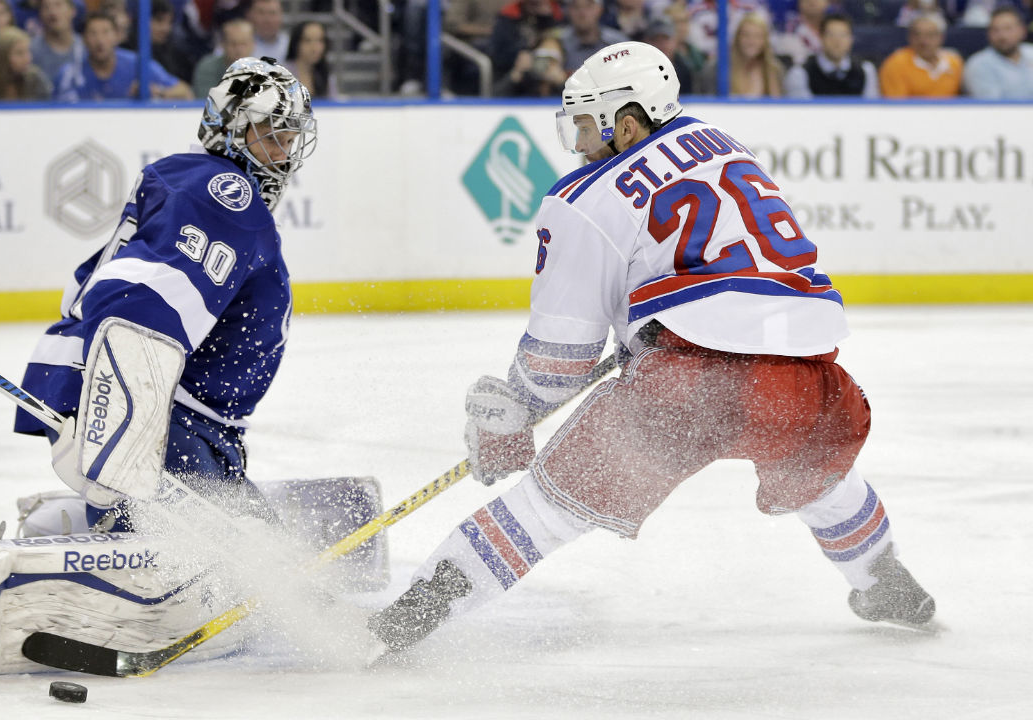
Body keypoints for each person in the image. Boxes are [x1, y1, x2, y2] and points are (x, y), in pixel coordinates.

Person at [367, 40, 936, 657]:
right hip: (813, 375)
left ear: (627, 122)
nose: (577, 141)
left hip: (692, 383)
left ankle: (398, 626)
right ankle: (886, 581)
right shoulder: (718, 140)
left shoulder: (583, 199)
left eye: (585, 125)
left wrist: (518, 408)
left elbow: (562, 355)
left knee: (549, 509)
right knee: (820, 479)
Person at [0, 56, 318, 688]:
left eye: (291, 135)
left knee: (253, 578)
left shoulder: (211, 191)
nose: (284, 150)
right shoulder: (221, 193)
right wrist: (123, 430)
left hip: (195, 437)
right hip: (169, 433)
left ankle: (63, 526)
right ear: (229, 130)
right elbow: (141, 307)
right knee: (158, 586)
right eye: (270, 132)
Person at [55, 11, 194, 101]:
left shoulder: (138, 65)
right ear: (84, 39)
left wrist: (157, 92)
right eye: (93, 33)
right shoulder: (69, 74)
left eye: (106, 32)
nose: (99, 40)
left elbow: (185, 92)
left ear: (117, 36)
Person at [784, 11, 880, 98]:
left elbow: (871, 110)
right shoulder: (800, 73)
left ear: (851, 39)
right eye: (831, 35)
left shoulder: (866, 70)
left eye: (843, 35)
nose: (837, 41)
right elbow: (801, 112)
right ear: (821, 38)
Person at [878, 12, 963, 97]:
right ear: (909, 37)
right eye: (917, 35)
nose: (923, 41)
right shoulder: (895, 64)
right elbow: (896, 106)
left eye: (930, 35)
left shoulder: (955, 62)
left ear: (941, 37)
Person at [962, 5, 1033, 98]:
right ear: (988, 34)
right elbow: (993, 107)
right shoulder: (978, 64)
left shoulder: (1031, 52)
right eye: (995, 30)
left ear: (1022, 30)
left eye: (1008, 29)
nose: (1002, 36)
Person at [0, 25, 53, 100]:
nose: (28, 59)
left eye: (28, 51)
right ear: (2, 56)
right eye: (19, 53)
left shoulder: (36, 79)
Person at [192, 17, 255, 97]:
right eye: (233, 44)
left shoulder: (265, 71)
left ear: (253, 45)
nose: (239, 49)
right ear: (222, 44)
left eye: (243, 44)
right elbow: (205, 100)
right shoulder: (208, 67)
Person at [30, 0, 86, 89]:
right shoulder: (30, 51)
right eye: (46, 7)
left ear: (73, 11)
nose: (52, 12)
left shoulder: (86, 48)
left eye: (58, 5)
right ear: (40, 14)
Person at [495, 29, 568, 96]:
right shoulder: (524, 82)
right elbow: (492, 102)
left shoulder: (570, 85)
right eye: (542, 57)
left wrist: (562, 85)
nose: (547, 63)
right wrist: (516, 74)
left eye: (553, 58)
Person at [560, 0, 628, 71]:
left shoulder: (619, 43)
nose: (582, 13)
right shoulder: (559, 43)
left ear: (600, 9)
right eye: (576, 7)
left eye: (589, 6)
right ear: (568, 10)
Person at [730, 11, 785, 97]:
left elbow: (777, 106)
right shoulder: (721, 69)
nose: (751, 41)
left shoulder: (774, 70)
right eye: (746, 35)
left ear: (765, 41)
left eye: (757, 36)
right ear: (737, 37)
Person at [285, 19, 335, 99]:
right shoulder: (283, 75)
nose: (315, 47)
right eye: (308, 40)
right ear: (296, 43)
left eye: (320, 40)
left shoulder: (326, 76)